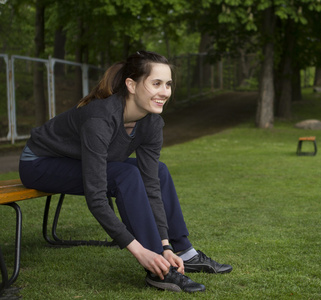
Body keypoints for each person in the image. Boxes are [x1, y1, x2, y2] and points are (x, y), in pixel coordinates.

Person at [18, 51, 232, 293]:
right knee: (125, 175)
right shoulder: (99, 118)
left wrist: (166, 244)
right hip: (40, 163)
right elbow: (97, 197)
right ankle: (159, 270)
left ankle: (183, 251)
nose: (164, 92)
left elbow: (151, 184)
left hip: (75, 161)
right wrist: (141, 252)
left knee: (158, 172)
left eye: (168, 84)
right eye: (156, 83)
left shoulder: (152, 122)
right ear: (131, 85)